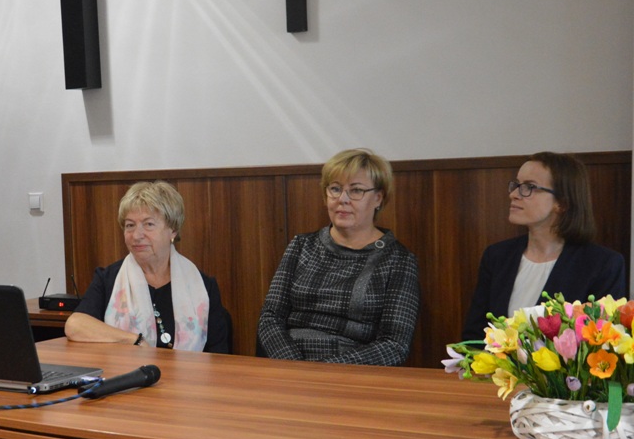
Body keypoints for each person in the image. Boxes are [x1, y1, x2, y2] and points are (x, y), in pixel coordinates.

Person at [256, 148, 420, 365]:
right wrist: (294, 367)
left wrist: (324, 371)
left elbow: (394, 345)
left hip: (351, 369)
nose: (343, 199)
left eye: (356, 190)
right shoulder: (301, 245)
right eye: (335, 189)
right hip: (288, 363)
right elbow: (270, 318)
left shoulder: (398, 259)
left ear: (378, 198)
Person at [461, 151, 627, 340]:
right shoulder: (497, 256)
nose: (513, 194)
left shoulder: (603, 264)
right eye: (516, 185)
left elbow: (602, 342)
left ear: (562, 203)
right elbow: (474, 336)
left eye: (529, 187)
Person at [65, 181, 231, 354]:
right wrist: (133, 340)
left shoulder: (202, 286)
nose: (137, 235)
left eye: (149, 224)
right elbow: (75, 325)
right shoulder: (108, 279)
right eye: (130, 225)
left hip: (189, 373)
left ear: (173, 230)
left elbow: (219, 356)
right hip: (125, 371)